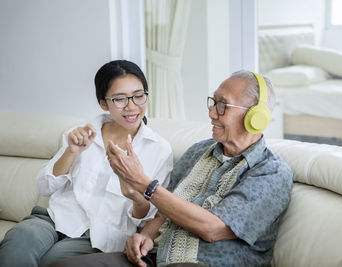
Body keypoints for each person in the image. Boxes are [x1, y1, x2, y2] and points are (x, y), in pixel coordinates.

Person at [49, 70, 293, 267]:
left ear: (255, 117)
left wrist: (144, 184)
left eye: (222, 105)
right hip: (156, 257)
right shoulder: (199, 151)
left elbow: (213, 229)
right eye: (212, 102)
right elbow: (164, 212)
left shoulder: (271, 172)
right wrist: (145, 237)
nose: (210, 112)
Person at [0, 60, 173, 267]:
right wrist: (71, 152)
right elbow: (45, 187)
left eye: (138, 96)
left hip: (98, 237)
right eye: (119, 99)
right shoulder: (82, 133)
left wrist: (136, 197)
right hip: (53, 219)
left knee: (51, 261)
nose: (132, 106)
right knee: (18, 241)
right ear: (103, 103)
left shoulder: (159, 149)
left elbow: (148, 217)